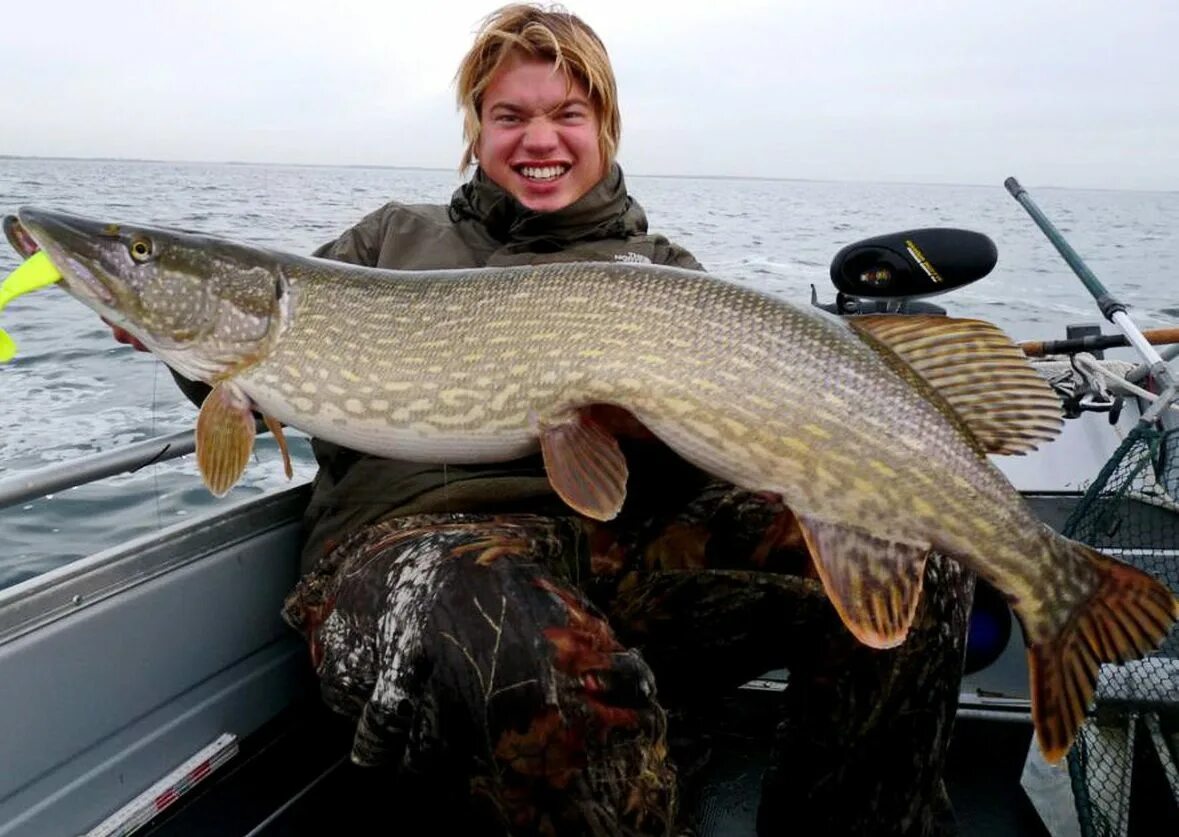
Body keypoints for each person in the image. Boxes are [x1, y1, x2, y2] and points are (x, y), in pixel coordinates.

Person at [106, 5, 976, 834]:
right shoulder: (389, 241)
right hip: (409, 548)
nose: (538, 139)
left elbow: (710, 464)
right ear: (475, 134)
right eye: (507, 115)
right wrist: (166, 329)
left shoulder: (662, 272)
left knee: (922, 547)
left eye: (566, 113)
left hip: (613, 550)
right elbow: (248, 377)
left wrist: (641, 432)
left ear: (604, 129)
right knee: (514, 638)